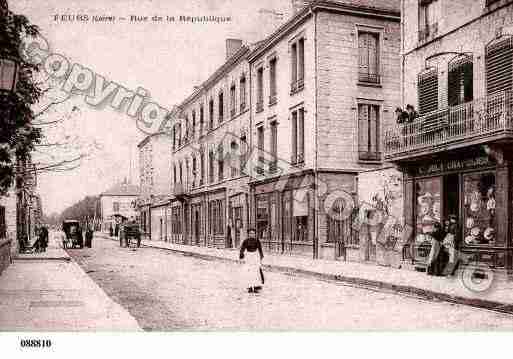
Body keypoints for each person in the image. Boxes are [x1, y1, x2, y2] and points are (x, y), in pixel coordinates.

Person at [239, 228, 264, 293]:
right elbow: (242, 248)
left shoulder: (257, 241)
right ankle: (249, 287)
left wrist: (261, 256)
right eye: (250, 233)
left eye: (253, 233)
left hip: (255, 256)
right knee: (249, 272)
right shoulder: (246, 241)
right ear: (248, 234)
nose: (252, 234)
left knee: (255, 272)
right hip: (248, 257)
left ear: (255, 234)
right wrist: (241, 255)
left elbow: (260, 249)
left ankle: (256, 286)